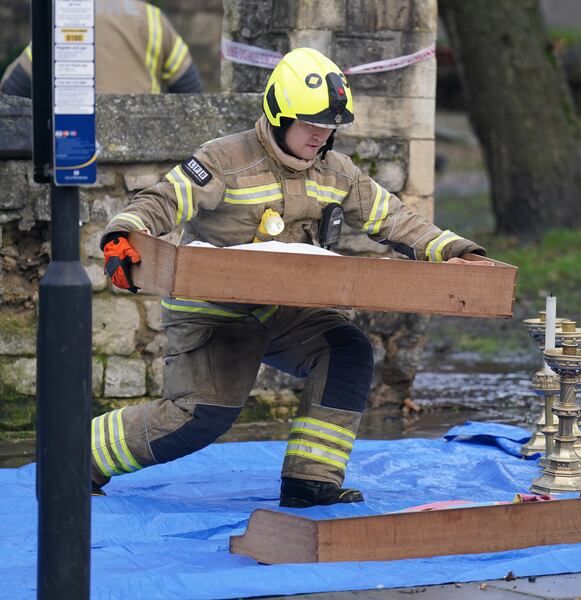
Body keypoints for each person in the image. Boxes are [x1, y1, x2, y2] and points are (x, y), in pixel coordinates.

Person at [94, 47, 487, 507]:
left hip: (287, 311)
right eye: (311, 125)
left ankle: (310, 482)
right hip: (215, 313)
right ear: (279, 114)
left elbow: (394, 219)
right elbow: (164, 200)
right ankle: (78, 454)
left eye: (329, 127)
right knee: (199, 417)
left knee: (347, 350)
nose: (321, 136)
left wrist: (457, 251)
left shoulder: (337, 172)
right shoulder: (223, 160)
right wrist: (123, 235)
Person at [1, 0, 202, 97]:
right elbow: (189, 88)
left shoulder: (66, 17)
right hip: (145, 150)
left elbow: (16, 87)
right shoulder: (151, 17)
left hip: (74, 148)